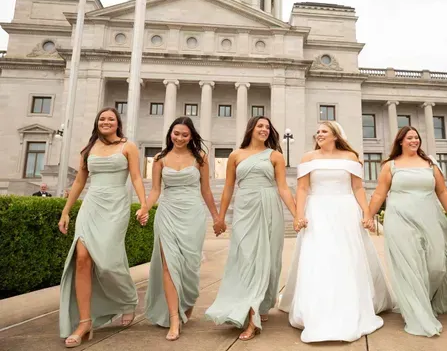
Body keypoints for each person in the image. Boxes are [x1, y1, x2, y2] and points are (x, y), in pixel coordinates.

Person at [278, 121, 393, 343]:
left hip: (345, 211)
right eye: (318, 131)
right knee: (318, 258)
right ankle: (316, 310)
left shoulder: (350, 158)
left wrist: (367, 213)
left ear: (335, 135)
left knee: (346, 258)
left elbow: (358, 187)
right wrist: (298, 215)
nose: (319, 134)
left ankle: (349, 305)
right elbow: (302, 188)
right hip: (317, 212)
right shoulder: (308, 158)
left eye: (324, 131)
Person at [57, 107, 148, 348]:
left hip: (116, 206)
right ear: (97, 123)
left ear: (118, 123)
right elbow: (79, 181)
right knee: (83, 259)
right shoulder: (89, 150)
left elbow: (137, 177)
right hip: (92, 206)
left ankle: (128, 299)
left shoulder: (128, 146)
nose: (105, 122)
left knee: (108, 262)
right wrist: (66, 211)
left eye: (111, 119)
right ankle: (84, 322)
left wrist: (143, 205)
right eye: (102, 119)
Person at [368, 126, 447, 337]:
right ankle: (415, 310)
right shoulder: (391, 166)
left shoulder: (430, 164)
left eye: (416, 137)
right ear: (401, 141)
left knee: (436, 267)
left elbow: (442, 191)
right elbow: (379, 194)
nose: (414, 141)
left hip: (431, 220)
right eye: (409, 138)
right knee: (410, 267)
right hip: (400, 220)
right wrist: (368, 215)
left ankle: (426, 301)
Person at [205, 116, 297, 341]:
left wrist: (297, 215)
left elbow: (283, 188)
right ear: (251, 129)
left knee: (267, 259)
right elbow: (228, 188)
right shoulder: (236, 155)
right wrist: (220, 217)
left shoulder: (275, 155)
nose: (264, 130)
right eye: (260, 126)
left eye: (267, 127)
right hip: (244, 208)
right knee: (244, 259)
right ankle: (248, 304)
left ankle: (254, 314)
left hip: (268, 206)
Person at [142, 117, 218, 341]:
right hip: (167, 213)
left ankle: (187, 300)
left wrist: (216, 217)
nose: (180, 138)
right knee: (168, 266)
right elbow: (155, 190)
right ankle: (174, 319)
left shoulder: (200, 158)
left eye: (185, 135)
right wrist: (145, 207)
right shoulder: (159, 158)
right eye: (176, 133)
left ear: (191, 136)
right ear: (170, 133)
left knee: (189, 267)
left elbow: (206, 191)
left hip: (192, 214)